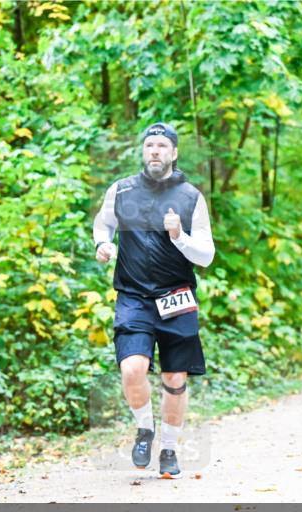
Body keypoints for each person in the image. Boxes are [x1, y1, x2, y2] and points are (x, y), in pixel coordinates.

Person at [92, 122, 215, 479]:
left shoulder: (191, 197)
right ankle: (145, 429)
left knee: (175, 379)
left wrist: (179, 236)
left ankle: (170, 448)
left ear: (174, 153)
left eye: (162, 145)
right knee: (132, 368)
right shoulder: (122, 190)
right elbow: (103, 225)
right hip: (133, 296)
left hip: (177, 297)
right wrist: (102, 244)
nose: (155, 151)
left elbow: (206, 256)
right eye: (150, 145)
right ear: (144, 152)